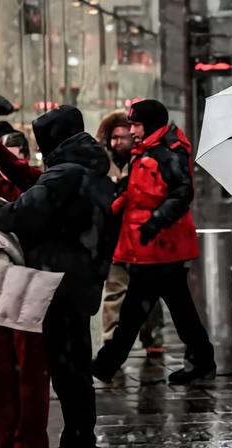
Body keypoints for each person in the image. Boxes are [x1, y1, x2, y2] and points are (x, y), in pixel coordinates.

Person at [0, 105, 117, 447]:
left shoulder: (64, 176)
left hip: (57, 288)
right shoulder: (86, 170)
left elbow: (16, 215)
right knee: (75, 373)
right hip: (81, 284)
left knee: (65, 374)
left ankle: (78, 439)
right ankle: (80, 436)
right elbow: (34, 182)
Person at [92, 99, 216, 385]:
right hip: (153, 248)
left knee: (134, 311)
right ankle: (202, 360)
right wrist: (116, 206)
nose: (131, 130)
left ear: (150, 125)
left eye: (135, 125)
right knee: (176, 309)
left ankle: (106, 364)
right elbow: (138, 193)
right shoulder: (148, 151)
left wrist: (155, 222)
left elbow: (182, 194)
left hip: (159, 248)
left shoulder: (166, 153)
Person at [95, 111, 166, 357]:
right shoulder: (102, 165)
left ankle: (153, 337)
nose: (118, 142)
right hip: (115, 239)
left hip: (142, 238)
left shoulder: (144, 160)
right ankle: (110, 342)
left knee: (149, 293)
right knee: (115, 292)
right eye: (114, 137)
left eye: (123, 136)